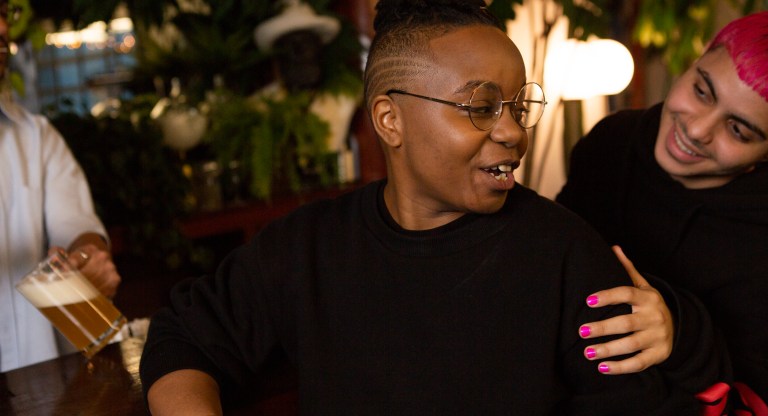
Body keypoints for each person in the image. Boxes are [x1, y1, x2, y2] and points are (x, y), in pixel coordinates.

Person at [140, 1, 720, 414]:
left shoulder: (566, 253)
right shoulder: (306, 246)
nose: (513, 133)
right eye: (481, 106)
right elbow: (184, 337)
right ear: (390, 120)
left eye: (517, 107)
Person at [557, 10, 768, 413]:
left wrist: (682, 337)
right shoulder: (610, 142)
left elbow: (754, 403)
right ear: (694, 62)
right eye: (703, 91)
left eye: (738, 130)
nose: (698, 130)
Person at [0, 0, 121, 372]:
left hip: (43, 390)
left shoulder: (37, 138)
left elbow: (78, 227)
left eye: (3, 13)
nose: (2, 30)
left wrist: (87, 259)